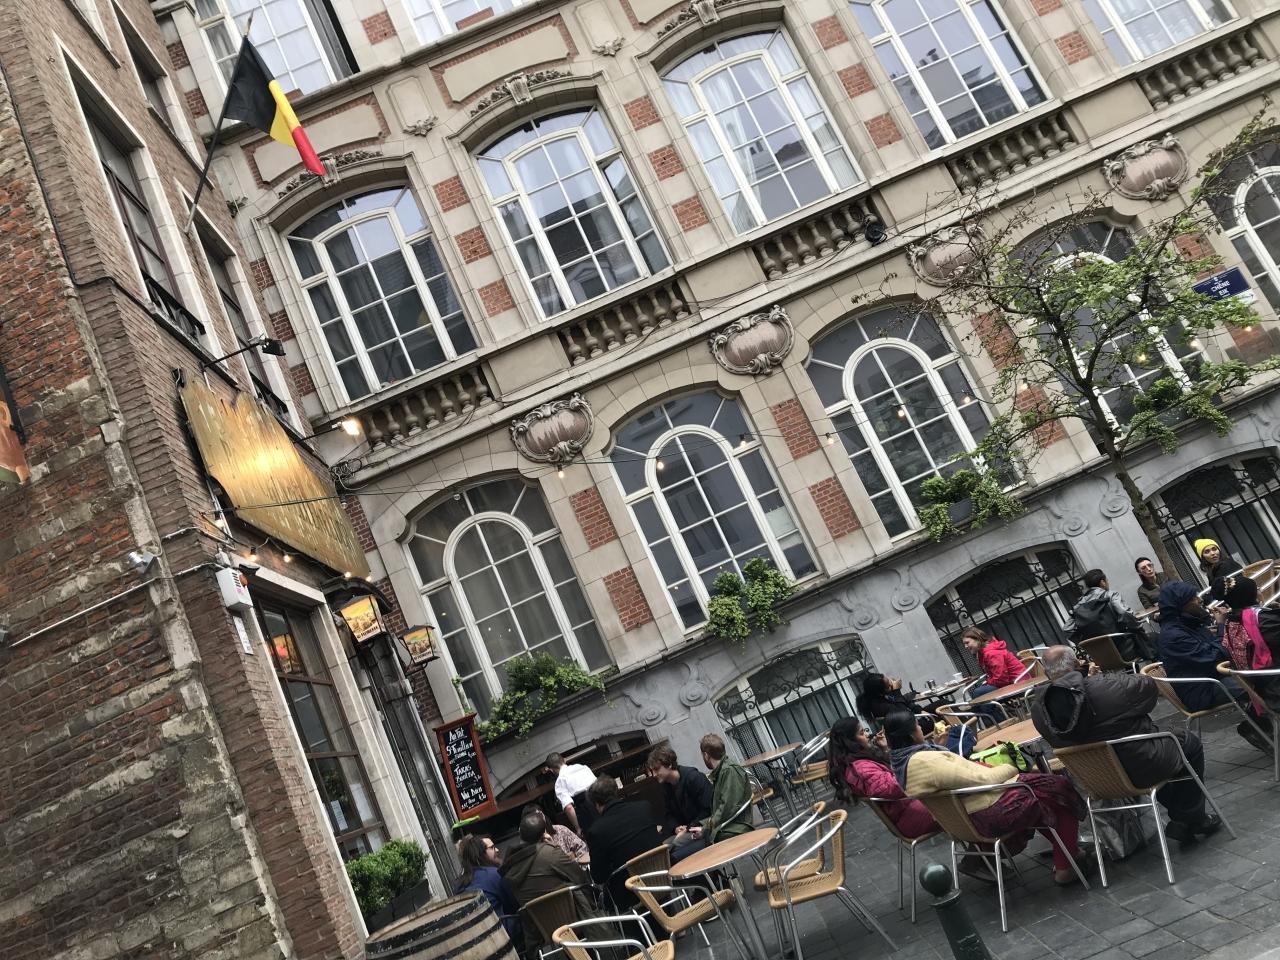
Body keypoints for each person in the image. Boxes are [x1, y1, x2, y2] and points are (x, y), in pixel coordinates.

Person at [1030, 646, 1222, 844]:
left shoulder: (1038, 709)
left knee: (1157, 752)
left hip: (1098, 780)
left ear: (1047, 673)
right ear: (1077, 663)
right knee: (1188, 743)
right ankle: (1190, 817)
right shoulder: (1106, 686)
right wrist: (1098, 678)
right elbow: (1148, 688)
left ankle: (1186, 819)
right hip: (1142, 764)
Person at [885, 709, 1088, 886]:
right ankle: (1066, 865)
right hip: (987, 813)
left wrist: (942, 747)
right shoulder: (924, 761)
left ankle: (1068, 853)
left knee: (1047, 790)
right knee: (1057, 789)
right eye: (917, 726)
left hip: (967, 816)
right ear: (910, 734)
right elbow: (983, 779)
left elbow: (956, 776)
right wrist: (1011, 766)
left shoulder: (903, 761)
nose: (921, 728)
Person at [1157, 581, 1268, 750]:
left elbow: (1216, 651)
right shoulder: (1173, 636)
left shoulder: (1189, 624)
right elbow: (1215, 656)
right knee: (1257, 684)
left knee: (1262, 676)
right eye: (1193, 598)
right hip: (1202, 689)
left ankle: (1261, 725)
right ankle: (1258, 728)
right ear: (1182, 605)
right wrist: (1222, 626)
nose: (1199, 600)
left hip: (1215, 676)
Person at [827, 715, 938, 839]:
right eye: (862, 733)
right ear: (850, 741)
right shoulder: (861, 768)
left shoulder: (860, 761)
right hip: (908, 816)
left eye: (865, 731)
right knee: (951, 802)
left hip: (910, 806)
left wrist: (885, 749)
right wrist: (917, 767)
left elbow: (892, 775)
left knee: (950, 794)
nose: (867, 735)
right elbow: (892, 788)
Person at [501, 808, 594, 953]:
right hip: (572, 921)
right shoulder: (549, 853)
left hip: (539, 930)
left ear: (520, 834)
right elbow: (579, 877)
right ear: (543, 834)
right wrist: (554, 847)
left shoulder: (508, 865)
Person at [585, 775, 663, 911]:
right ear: (616, 792)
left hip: (630, 893)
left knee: (605, 898)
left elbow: (598, 876)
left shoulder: (597, 831)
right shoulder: (644, 807)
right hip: (661, 877)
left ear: (596, 804)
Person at [1209, 575, 1280, 710]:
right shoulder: (1262, 621)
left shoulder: (1230, 623)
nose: (1260, 590)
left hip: (1262, 688)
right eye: (1257, 588)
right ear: (1251, 595)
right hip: (1275, 688)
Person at [1063, 568, 1154, 662]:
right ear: (1102, 582)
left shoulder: (1079, 606)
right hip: (1126, 651)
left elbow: (1067, 629)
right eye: (1107, 580)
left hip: (1102, 658)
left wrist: (1088, 644)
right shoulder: (1110, 595)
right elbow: (1124, 613)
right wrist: (1138, 627)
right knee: (1155, 637)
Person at [647, 745, 713, 863]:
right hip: (687, 829)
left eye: (656, 769)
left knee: (674, 848)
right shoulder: (666, 786)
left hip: (705, 827)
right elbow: (668, 814)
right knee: (660, 850)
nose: (654, 774)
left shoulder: (693, 777)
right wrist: (676, 827)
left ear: (669, 764)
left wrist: (687, 828)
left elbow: (709, 808)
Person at [455, 835, 522, 940]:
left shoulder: (459, 884)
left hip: (475, 937)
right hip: (502, 932)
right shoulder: (494, 874)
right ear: (482, 854)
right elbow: (513, 904)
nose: (497, 850)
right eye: (492, 848)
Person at [700, 734, 754, 842]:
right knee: (692, 842)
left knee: (694, 846)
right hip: (727, 825)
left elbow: (728, 807)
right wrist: (705, 825)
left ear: (706, 755)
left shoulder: (729, 771)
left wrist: (706, 826)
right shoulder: (722, 771)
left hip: (735, 828)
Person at [962, 627, 1026, 698]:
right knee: (980, 691)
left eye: (967, 643)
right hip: (1010, 683)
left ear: (978, 639)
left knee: (979, 693)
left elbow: (1001, 679)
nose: (965, 646)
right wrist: (987, 682)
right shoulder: (984, 653)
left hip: (1019, 684)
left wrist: (988, 682)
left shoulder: (992, 654)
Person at [545, 752, 598, 836]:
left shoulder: (559, 782)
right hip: (603, 803)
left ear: (551, 770)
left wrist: (578, 829)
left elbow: (569, 808)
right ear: (564, 760)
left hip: (588, 813)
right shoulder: (582, 767)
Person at [521, 802, 588, 863]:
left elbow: (582, 847)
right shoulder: (529, 846)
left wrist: (575, 862)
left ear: (543, 815)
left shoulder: (560, 830)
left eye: (539, 815)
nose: (537, 819)